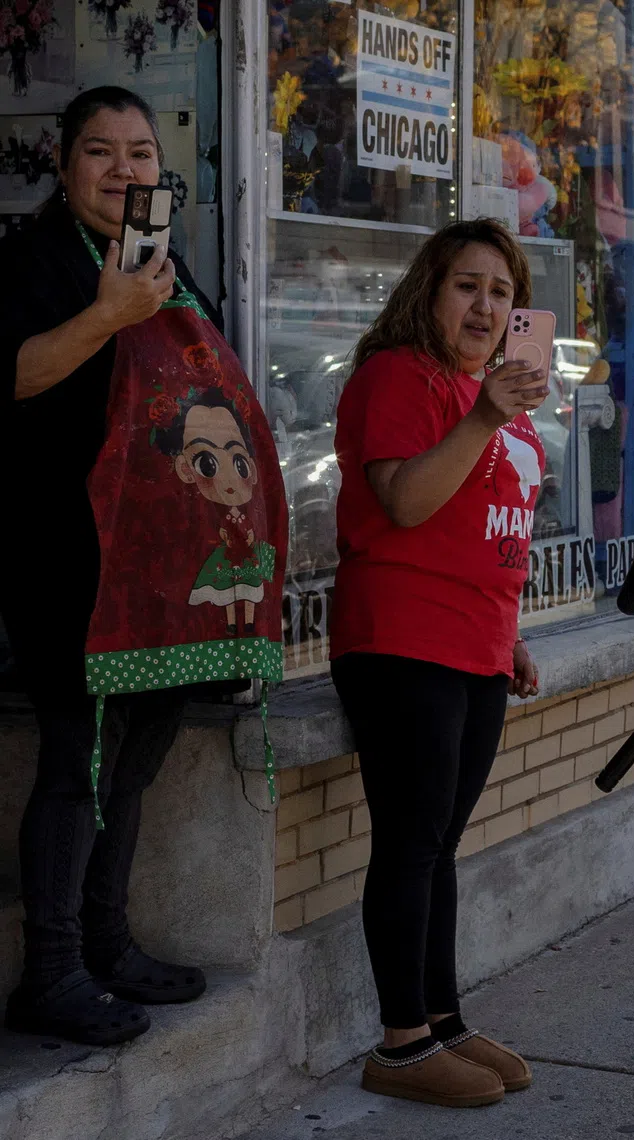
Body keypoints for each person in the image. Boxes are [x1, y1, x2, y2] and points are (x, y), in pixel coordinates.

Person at [0, 87, 285, 1049]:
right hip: (67, 568)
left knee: (137, 759)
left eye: (140, 154)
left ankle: (109, 943)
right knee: (77, 761)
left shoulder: (164, 265)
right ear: (64, 165)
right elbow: (17, 375)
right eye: (100, 152)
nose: (124, 171)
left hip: (163, 576)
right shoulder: (32, 262)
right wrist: (108, 313)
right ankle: (51, 972)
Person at [330, 219, 548, 1108]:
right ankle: (401, 1043)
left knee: (440, 848)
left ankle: (442, 1020)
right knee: (412, 843)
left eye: (501, 292)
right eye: (467, 285)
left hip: (476, 644)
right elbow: (408, 504)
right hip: (402, 639)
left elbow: (482, 528)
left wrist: (514, 634)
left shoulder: (482, 394)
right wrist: (486, 413)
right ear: (429, 290)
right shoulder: (399, 378)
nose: (486, 305)